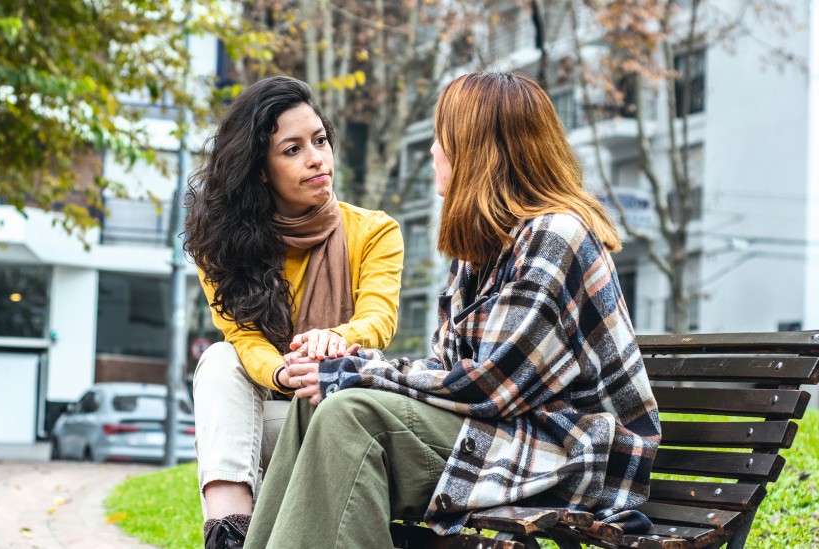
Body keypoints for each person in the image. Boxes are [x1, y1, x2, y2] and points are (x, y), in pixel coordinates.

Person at [243, 72, 662, 549]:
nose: (433, 151)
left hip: (569, 450)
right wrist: (346, 370)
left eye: (442, 138)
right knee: (312, 404)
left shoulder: (555, 236)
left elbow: (490, 385)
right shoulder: (481, 252)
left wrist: (354, 374)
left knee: (350, 413)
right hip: (504, 433)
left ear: (474, 149)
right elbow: (446, 372)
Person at [182, 75, 404, 548]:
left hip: (337, 417)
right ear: (261, 168)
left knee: (249, 403)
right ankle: (229, 535)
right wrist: (285, 374)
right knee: (220, 360)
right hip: (266, 417)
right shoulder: (220, 247)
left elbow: (379, 320)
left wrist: (337, 339)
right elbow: (243, 339)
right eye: (292, 149)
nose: (316, 158)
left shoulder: (375, 232)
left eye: (320, 140)